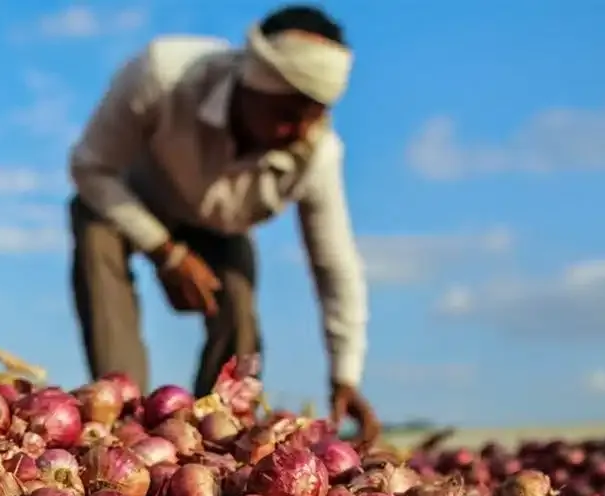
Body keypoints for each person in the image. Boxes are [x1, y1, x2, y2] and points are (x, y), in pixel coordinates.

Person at [68, 4, 380, 441]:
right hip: (132, 200)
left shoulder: (317, 152)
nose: (299, 129)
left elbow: (335, 265)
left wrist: (345, 376)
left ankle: (213, 437)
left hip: (219, 229)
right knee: (96, 234)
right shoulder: (163, 73)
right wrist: (166, 251)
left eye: (315, 114)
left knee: (239, 312)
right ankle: (123, 420)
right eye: (288, 112)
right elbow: (89, 168)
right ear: (254, 82)